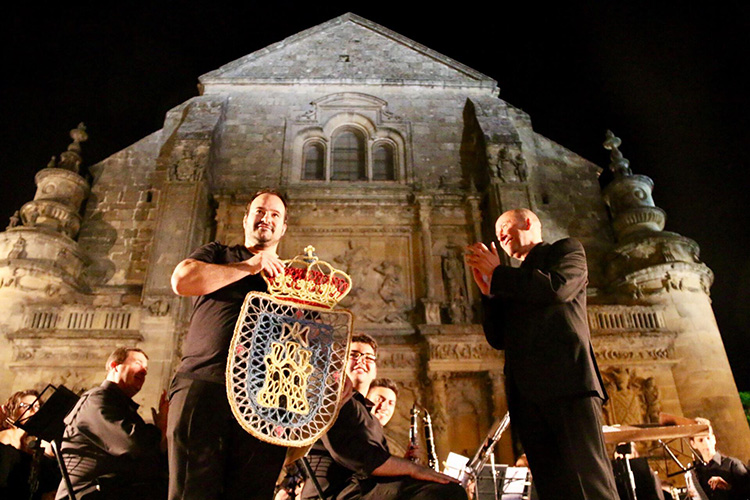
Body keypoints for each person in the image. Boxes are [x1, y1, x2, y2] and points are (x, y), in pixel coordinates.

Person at [465, 208, 618, 500]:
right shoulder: (511, 280)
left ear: (528, 222)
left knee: (589, 484)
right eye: (497, 232)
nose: (499, 235)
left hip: (568, 385)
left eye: (505, 227)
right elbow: (498, 339)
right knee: (553, 488)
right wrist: (488, 294)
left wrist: (498, 274)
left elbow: (557, 289)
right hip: (526, 397)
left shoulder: (565, 250)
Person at [168, 188, 290, 500]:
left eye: (275, 214)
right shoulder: (218, 254)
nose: (267, 218)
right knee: (191, 491)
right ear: (246, 219)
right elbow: (182, 280)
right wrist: (252, 265)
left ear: (284, 227)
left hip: (265, 399)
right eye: (260, 211)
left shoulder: (292, 278)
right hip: (203, 382)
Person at [301, 333, 466, 500]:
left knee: (444, 488)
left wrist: (402, 463)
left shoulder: (370, 417)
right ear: (340, 363)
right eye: (354, 355)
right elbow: (354, 454)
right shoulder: (334, 398)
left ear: (375, 371)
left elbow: (374, 463)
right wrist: (413, 469)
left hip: (362, 489)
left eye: (369, 358)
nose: (361, 360)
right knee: (445, 493)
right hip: (337, 492)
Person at [55, 347, 167, 500]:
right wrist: (160, 427)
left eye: (146, 368)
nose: (144, 371)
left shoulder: (123, 408)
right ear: (115, 366)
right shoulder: (96, 400)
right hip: (89, 494)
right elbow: (133, 445)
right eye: (137, 363)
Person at [1, 390, 60, 499]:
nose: (34, 411)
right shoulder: (4, 438)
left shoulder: (30, 445)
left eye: (37, 407)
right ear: (13, 409)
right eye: (26, 406)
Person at [688, 417, 750, 500]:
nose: (706, 443)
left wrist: (728, 487)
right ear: (693, 444)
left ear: (714, 439)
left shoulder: (733, 465)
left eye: (708, 438)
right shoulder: (696, 472)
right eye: (701, 440)